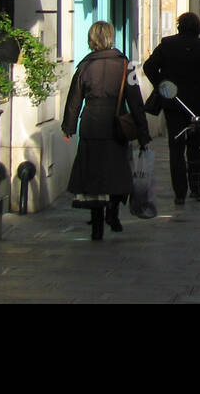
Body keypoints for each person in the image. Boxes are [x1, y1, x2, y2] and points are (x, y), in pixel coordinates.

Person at [62, 21, 150, 240]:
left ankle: (97, 225)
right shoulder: (125, 65)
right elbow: (136, 101)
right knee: (118, 171)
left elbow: (74, 100)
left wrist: (69, 127)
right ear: (111, 38)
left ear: (92, 39)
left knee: (94, 176)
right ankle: (113, 212)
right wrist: (143, 132)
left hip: (91, 125)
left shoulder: (84, 66)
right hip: (115, 125)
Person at [143, 11, 200, 205]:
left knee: (176, 148)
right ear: (198, 28)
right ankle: (196, 188)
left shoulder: (167, 45)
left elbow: (149, 67)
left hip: (174, 104)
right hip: (197, 105)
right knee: (195, 147)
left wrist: (163, 87)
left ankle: (179, 192)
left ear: (179, 27)